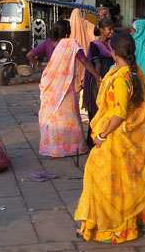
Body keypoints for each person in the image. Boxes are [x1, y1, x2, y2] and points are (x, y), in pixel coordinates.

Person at [74, 32, 145, 243]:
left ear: (113, 52)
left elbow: (120, 113)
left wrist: (102, 135)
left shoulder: (122, 79)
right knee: (129, 179)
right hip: (126, 137)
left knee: (103, 178)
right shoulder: (128, 72)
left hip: (116, 137)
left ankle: (111, 228)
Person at [38, 20, 101, 157]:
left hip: (50, 85)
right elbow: (84, 61)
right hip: (65, 87)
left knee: (53, 117)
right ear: (68, 32)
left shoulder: (51, 44)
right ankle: (73, 148)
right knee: (69, 117)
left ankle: (52, 149)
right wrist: (97, 76)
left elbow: (32, 55)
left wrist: (38, 66)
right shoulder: (71, 44)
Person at [83, 18, 115, 148]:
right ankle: (92, 141)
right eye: (109, 29)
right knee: (96, 112)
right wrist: (98, 80)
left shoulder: (112, 44)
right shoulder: (95, 45)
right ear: (101, 30)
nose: (112, 32)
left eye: (112, 29)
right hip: (98, 82)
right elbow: (97, 64)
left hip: (109, 80)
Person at [69, 9, 96, 92]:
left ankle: (76, 86)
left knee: (75, 67)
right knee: (84, 66)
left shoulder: (69, 24)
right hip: (84, 50)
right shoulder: (85, 23)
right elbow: (94, 31)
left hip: (73, 51)